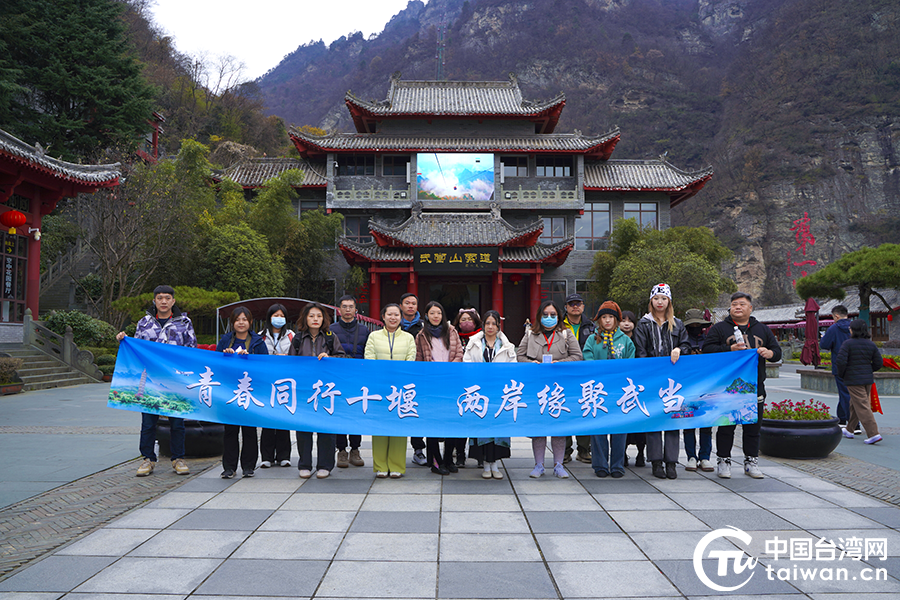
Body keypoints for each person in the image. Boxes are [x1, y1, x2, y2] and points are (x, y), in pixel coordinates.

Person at [116, 285, 197, 477]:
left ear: (173, 301)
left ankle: (178, 458)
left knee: (177, 422)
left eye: (167, 298)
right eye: (160, 298)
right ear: (154, 300)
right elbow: (136, 348)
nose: (163, 301)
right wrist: (124, 340)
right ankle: (148, 459)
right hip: (150, 380)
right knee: (148, 422)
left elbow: (191, 349)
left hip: (174, 380)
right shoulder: (144, 323)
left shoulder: (184, 323)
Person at [703, 291, 782, 479]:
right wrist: (728, 349)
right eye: (734, 304)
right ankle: (723, 460)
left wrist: (770, 354)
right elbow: (707, 350)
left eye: (742, 304)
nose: (737, 307)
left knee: (753, 427)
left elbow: (777, 351)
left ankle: (751, 461)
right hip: (727, 387)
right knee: (726, 427)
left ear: (750, 308)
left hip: (755, 387)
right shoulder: (720, 329)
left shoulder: (762, 329)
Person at [517, 299, 583, 478]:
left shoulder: (566, 334)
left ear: (558, 317)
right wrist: (532, 363)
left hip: (559, 388)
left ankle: (559, 465)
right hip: (537, 388)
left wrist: (559, 364)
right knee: (539, 428)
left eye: (553, 315)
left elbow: (577, 356)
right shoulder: (530, 334)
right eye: (545, 315)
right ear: (539, 316)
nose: (549, 318)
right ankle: (538, 465)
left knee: (558, 428)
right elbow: (519, 356)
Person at [633, 284, 690, 480]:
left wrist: (680, 349)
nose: (660, 302)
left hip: (673, 380)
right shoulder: (643, 324)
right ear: (651, 301)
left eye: (664, 299)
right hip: (652, 379)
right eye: (656, 298)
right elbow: (640, 351)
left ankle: (671, 462)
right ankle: (656, 462)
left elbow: (686, 345)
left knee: (673, 419)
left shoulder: (678, 324)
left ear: (669, 302)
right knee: (654, 419)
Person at [289, 302, 346, 479]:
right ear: (305, 318)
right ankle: (305, 464)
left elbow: (342, 357)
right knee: (303, 429)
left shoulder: (330, 337)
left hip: (326, 391)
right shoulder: (298, 339)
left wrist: (330, 358)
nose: (315, 319)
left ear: (324, 319)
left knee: (326, 429)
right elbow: (290, 363)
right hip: (305, 390)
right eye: (311, 316)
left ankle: (325, 465)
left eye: (319, 316)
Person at [583, 301, 634, 479]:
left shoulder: (626, 341)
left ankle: (617, 464)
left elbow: (630, 363)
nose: (607, 321)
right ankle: (600, 464)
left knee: (620, 428)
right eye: (604, 317)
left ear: (616, 320)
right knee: (598, 428)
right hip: (597, 390)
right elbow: (587, 357)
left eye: (610, 317)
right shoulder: (592, 338)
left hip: (619, 391)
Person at [365, 303, 416, 478]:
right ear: (383, 316)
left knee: (398, 426)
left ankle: (396, 466)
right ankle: (380, 466)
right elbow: (369, 358)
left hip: (401, 389)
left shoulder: (409, 338)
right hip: (379, 387)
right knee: (379, 426)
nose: (393, 318)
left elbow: (411, 359)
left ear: (400, 318)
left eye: (396, 315)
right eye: (390, 314)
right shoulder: (374, 336)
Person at [216, 306, 268, 479]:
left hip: (250, 392)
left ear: (250, 322)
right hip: (230, 392)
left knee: (249, 431)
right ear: (232, 322)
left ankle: (248, 466)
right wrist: (225, 356)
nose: (241, 322)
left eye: (244, 319)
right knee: (230, 431)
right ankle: (229, 467)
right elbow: (215, 364)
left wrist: (250, 359)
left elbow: (265, 365)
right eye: (238, 319)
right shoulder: (225, 341)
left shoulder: (258, 342)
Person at [463, 310, 515, 479]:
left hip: (500, 393)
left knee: (498, 427)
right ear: (483, 325)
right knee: (482, 427)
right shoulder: (473, 343)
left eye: (494, 324)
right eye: (487, 323)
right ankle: (486, 464)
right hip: (480, 393)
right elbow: (467, 363)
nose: (490, 327)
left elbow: (513, 366)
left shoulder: (507, 345)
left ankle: (496, 464)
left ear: (498, 326)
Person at [415, 301, 464, 475]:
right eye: (432, 313)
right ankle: (435, 461)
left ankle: (449, 459)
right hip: (431, 384)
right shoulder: (421, 335)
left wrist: (450, 370)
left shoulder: (451, 331)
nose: (436, 316)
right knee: (433, 422)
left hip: (451, 382)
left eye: (439, 313)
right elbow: (419, 360)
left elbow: (459, 353)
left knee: (451, 421)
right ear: (426, 315)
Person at [330, 294, 369, 468]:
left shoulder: (364, 330)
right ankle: (341, 451)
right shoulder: (330, 329)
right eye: (344, 307)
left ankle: (355, 449)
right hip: (337, 377)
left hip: (357, 377)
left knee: (355, 413)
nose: (347, 310)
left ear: (356, 310)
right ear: (339, 310)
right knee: (339, 413)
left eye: (350, 307)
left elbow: (367, 354)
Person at [834, 319, 883, 445]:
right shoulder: (871, 344)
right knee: (855, 404)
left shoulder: (847, 344)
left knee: (862, 405)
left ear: (852, 330)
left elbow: (840, 362)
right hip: (867, 379)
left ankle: (873, 433)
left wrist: (843, 374)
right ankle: (849, 429)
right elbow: (878, 363)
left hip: (853, 379)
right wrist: (868, 369)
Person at [562, 293, 597, 464]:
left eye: (578, 303)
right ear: (566, 307)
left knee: (585, 410)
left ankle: (584, 450)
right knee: (564, 410)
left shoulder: (591, 327)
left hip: (585, 375)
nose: (575, 306)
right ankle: (565, 450)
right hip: (564, 375)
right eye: (571, 304)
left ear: (583, 307)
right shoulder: (559, 326)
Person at [258, 303, 294, 469]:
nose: (278, 319)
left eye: (281, 315)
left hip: (285, 382)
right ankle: (266, 456)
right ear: (269, 317)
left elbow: (297, 357)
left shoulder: (292, 336)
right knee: (267, 418)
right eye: (275, 315)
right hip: (267, 382)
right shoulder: (260, 336)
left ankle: (284, 455)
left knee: (283, 418)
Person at [682, 308, 714, 472]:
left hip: (707, 386)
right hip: (688, 386)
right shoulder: (682, 341)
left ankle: (705, 457)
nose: (695, 327)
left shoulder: (708, 340)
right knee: (688, 423)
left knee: (706, 423)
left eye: (698, 324)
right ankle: (691, 457)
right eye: (691, 325)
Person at [399, 292, 427, 466]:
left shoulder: (424, 326)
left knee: (416, 412)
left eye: (413, 303)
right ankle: (395, 452)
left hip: (419, 377)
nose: (410, 306)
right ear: (401, 306)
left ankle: (419, 450)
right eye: (407, 303)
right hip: (397, 377)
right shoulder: (392, 325)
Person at [619, 309, 646, 468]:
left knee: (639, 423)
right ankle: (621, 453)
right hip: (621, 387)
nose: (626, 323)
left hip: (637, 386)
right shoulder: (613, 340)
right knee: (622, 423)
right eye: (623, 320)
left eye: (630, 320)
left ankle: (641, 453)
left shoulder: (639, 339)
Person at [820, 305, 852, 429]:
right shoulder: (855, 326)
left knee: (845, 393)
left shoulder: (833, 328)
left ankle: (853, 422)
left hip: (840, 365)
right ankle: (842, 419)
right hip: (855, 365)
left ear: (836, 316)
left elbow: (824, 345)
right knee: (846, 392)